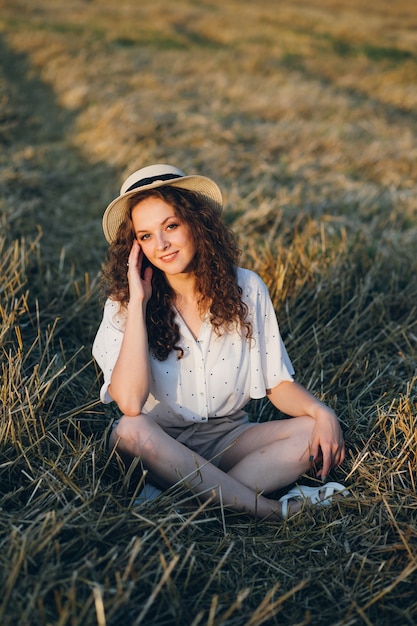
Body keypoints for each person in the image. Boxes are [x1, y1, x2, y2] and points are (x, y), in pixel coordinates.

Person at [92, 163, 348, 520]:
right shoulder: (124, 305)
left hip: (228, 439)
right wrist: (139, 302)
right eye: (146, 236)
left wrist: (322, 412)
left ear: (196, 223)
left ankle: (183, 506)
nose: (162, 244)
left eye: (171, 226)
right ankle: (270, 511)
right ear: (134, 246)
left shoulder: (247, 288)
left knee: (310, 431)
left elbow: (276, 383)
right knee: (129, 430)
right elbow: (131, 404)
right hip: (157, 444)